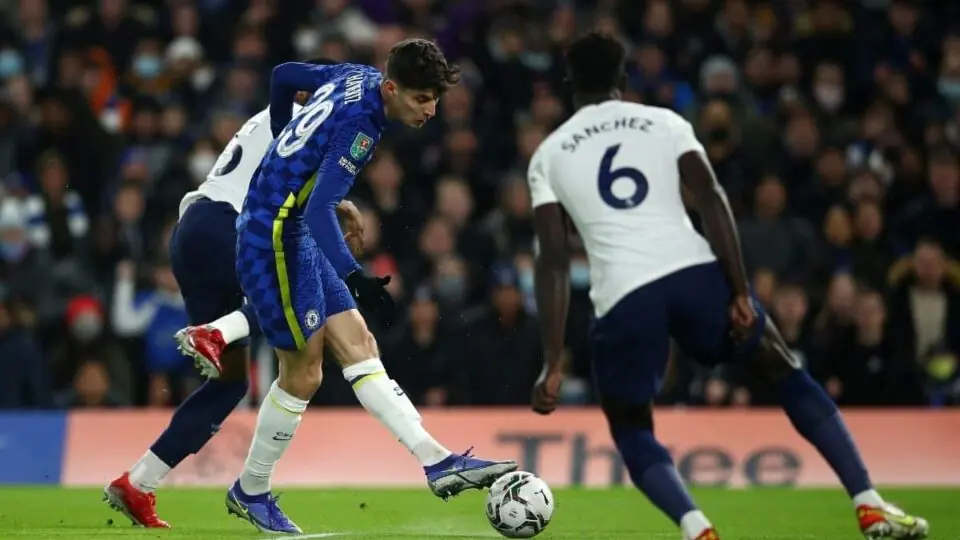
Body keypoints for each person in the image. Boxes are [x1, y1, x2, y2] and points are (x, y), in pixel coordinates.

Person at [525, 32, 928, 540]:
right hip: (693, 272)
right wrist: (738, 289)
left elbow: (553, 262)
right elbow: (711, 198)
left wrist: (553, 360)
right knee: (782, 367)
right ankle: (868, 503)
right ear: (622, 80)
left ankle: (698, 529)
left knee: (630, 426)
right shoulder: (664, 122)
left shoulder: (549, 154)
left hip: (625, 294)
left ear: (570, 83)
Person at [216, 40, 515, 534]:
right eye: (422, 99)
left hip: (292, 229)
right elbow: (319, 208)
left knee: (360, 343)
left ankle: (437, 461)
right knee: (302, 374)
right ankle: (251, 489)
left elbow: (283, 74)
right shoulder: (363, 124)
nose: (431, 110)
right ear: (392, 89)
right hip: (273, 238)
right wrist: (354, 274)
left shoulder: (354, 75)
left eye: (435, 99)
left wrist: (282, 137)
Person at [102, 59, 356, 529]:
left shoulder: (273, 118)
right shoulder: (309, 122)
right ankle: (215, 332)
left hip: (193, 230)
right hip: (229, 225)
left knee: (230, 384)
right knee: (297, 294)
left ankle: (137, 483)